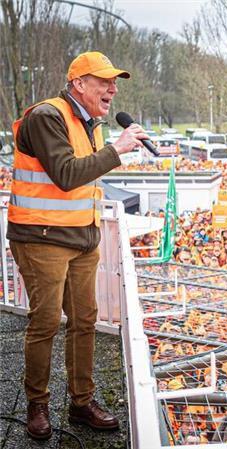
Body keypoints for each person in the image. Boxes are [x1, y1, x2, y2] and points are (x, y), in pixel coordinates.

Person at [8, 51, 145, 440]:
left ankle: (81, 402)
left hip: (82, 236)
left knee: (85, 320)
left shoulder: (92, 124)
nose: (112, 89)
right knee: (46, 322)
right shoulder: (46, 117)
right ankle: (37, 405)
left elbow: (85, 182)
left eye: (114, 82)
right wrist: (116, 150)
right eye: (103, 81)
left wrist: (110, 151)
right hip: (42, 238)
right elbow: (66, 175)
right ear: (78, 84)